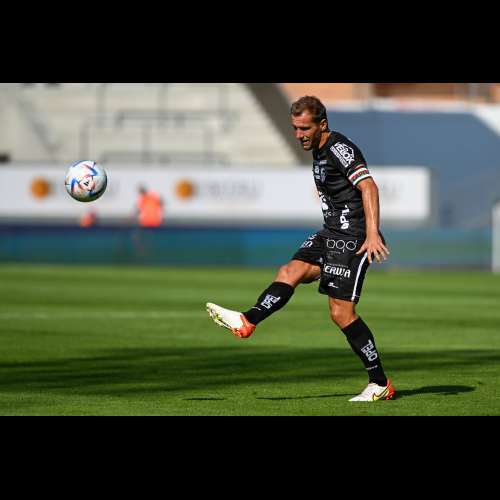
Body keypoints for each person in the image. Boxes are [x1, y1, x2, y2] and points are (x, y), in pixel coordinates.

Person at [206, 95, 394, 402]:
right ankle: (247, 320)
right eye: (295, 128)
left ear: (322, 125)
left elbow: (368, 186)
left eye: (304, 128)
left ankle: (380, 382)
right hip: (330, 234)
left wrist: (372, 234)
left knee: (341, 313)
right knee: (289, 271)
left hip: (354, 238)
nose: (298, 135)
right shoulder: (317, 148)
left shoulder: (339, 148)